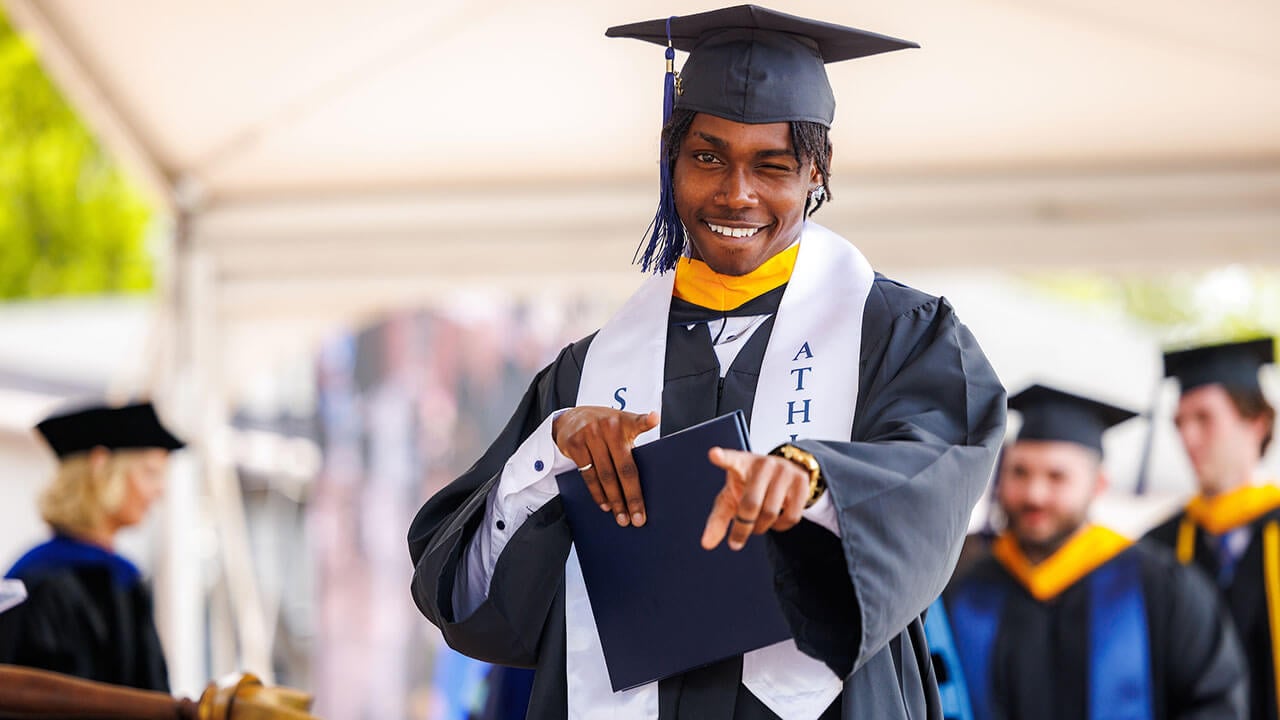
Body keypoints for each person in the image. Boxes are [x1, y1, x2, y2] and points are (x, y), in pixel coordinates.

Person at [407, 6, 1006, 718]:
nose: (735, 194)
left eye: (772, 166)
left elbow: (937, 474)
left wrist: (814, 482)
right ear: (672, 159)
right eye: (707, 157)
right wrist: (551, 453)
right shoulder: (592, 366)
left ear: (819, 169)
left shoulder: (901, 335)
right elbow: (474, 599)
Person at [944, 384, 1247, 719]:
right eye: (1020, 472)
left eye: (1057, 476)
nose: (1035, 494)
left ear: (1098, 484)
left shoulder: (1164, 588)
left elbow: (1216, 702)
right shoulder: (965, 586)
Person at [0, 402, 184, 692]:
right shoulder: (42, 582)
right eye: (150, 472)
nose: (159, 490)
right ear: (101, 466)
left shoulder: (122, 579)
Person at [1146, 338, 1279, 720]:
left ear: (1257, 421)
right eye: (1179, 422)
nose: (1187, 438)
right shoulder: (1156, 548)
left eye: (1204, 418)